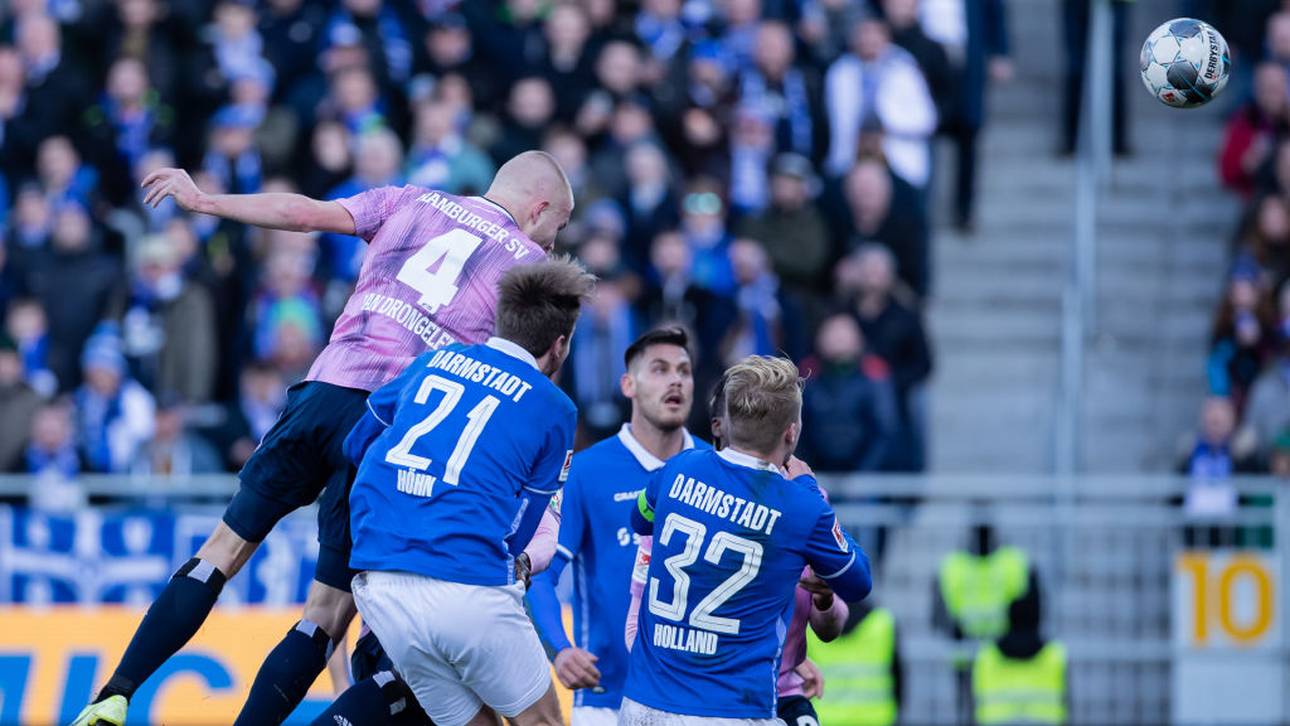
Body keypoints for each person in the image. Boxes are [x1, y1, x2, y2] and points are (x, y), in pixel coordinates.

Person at [72, 150, 575, 726]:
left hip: (325, 390)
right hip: (390, 429)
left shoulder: (410, 199)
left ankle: (114, 694)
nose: (553, 244)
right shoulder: (528, 265)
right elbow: (528, 364)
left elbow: (302, 214)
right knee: (326, 614)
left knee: (220, 552)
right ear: (538, 210)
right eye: (557, 228)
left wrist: (206, 202)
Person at [345, 257, 595, 726]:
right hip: (467, 585)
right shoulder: (554, 408)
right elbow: (520, 528)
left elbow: (357, 442)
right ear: (559, 345)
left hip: (382, 587)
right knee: (541, 722)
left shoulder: (432, 361)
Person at [621, 355, 873, 725]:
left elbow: (640, 519)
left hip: (643, 707)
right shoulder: (802, 505)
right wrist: (806, 487)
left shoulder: (677, 467)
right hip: (730, 710)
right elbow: (859, 581)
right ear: (791, 432)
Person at [526, 327, 705, 725]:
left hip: (701, 703)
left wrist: (791, 655)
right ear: (628, 384)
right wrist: (560, 649)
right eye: (659, 369)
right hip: (609, 703)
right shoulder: (587, 471)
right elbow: (538, 574)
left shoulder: (719, 470)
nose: (676, 379)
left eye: (684, 370)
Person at [971, 595, 1068, 725]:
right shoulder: (1054, 655)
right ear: (1038, 617)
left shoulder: (986, 655)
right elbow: (1066, 703)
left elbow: (975, 702)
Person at [807, 601, 904, 726]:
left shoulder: (808, 625)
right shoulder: (882, 621)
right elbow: (898, 675)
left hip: (824, 718)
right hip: (876, 719)